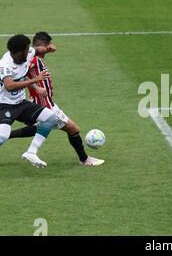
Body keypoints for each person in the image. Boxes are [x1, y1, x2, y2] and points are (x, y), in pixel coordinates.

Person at [0, 35, 58, 181]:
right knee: (1, 137)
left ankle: (31, 152)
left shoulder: (27, 52)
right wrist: (36, 80)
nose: (29, 51)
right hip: (3, 104)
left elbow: (38, 49)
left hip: (20, 102)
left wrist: (48, 49)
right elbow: (9, 86)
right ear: (18, 52)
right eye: (26, 49)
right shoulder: (5, 64)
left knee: (51, 118)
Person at [8, 31, 104, 166]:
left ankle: (6, 135)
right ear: (41, 44)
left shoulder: (36, 57)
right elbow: (21, 74)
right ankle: (85, 160)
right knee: (72, 128)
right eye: (48, 44)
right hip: (43, 102)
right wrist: (36, 87)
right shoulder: (32, 60)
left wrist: (47, 51)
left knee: (40, 127)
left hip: (45, 101)